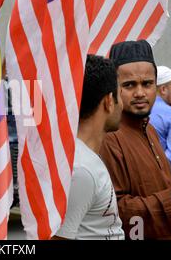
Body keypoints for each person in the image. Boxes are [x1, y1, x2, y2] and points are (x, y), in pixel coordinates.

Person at [99, 40, 171, 240]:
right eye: (129, 85)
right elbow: (116, 213)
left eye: (147, 83)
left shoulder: (150, 130)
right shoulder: (109, 137)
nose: (140, 93)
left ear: (156, 87)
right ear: (114, 88)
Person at [53, 55, 125, 240]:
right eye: (120, 94)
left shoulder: (83, 159)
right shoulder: (81, 169)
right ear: (109, 101)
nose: (122, 105)